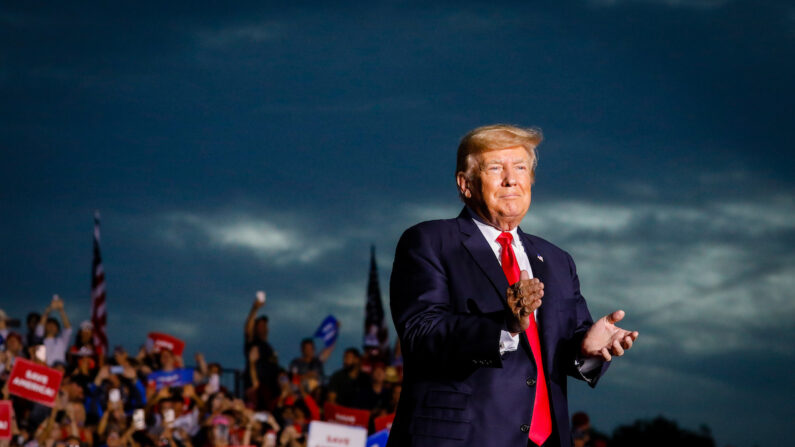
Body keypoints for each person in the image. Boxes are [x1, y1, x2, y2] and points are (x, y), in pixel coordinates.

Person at [387, 124, 639, 447]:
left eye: (520, 167)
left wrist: (587, 350)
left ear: (531, 180)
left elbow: (556, 355)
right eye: (496, 168)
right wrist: (504, 326)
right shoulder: (429, 242)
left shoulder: (558, 261)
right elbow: (421, 335)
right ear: (465, 184)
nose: (511, 179)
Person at [36, 295, 73, 367]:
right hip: (44, 370)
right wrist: (49, 308)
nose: (51, 327)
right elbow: (40, 325)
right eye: (49, 325)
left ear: (57, 330)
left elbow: (68, 329)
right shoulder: (39, 340)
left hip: (58, 371)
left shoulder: (61, 341)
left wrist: (61, 309)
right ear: (45, 327)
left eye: (54, 326)